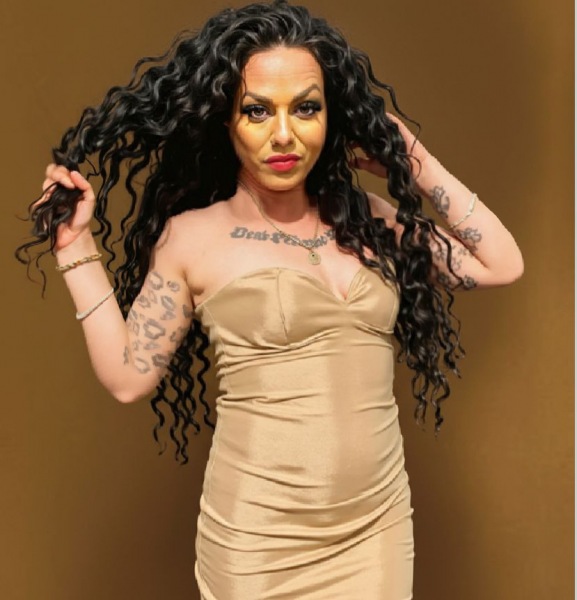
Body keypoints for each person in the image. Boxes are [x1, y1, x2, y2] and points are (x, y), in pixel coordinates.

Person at [16, 1, 523, 598]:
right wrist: (75, 248)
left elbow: (500, 264)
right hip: (257, 542)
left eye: (305, 108)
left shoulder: (370, 220)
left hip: (376, 529)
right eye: (257, 110)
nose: (284, 134)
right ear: (226, 121)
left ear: (331, 115)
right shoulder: (193, 238)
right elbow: (129, 377)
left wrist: (415, 162)